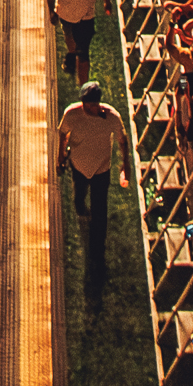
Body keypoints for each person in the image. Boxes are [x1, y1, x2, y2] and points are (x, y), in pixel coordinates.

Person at [58, 80, 128, 298]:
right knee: (79, 197)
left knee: (100, 208)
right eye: (86, 104)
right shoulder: (72, 114)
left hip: (101, 168)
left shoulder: (111, 117)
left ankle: (98, 247)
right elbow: (62, 133)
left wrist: (125, 165)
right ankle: (81, 209)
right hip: (78, 165)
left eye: (93, 105)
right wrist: (61, 156)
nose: (89, 108)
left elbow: (122, 139)